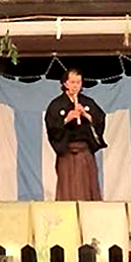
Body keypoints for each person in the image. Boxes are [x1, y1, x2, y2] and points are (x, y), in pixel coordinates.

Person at [45, 68, 106, 201]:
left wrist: (86, 115)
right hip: (67, 151)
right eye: (72, 82)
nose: (75, 85)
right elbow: (51, 127)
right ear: (65, 83)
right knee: (68, 188)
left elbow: (100, 119)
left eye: (78, 82)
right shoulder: (57, 104)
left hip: (85, 151)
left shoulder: (87, 102)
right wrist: (66, 119)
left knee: (88, 187)